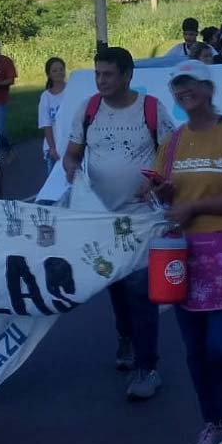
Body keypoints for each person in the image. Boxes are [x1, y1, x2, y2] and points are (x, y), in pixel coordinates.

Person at [147, 60, 222, 444]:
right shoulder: (174, 142)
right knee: (196, 351)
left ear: (208, 89)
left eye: (191, 84)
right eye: (177, 87)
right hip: (183, 259)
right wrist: (162, 193)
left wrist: (194, 205)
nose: (183, 92)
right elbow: (164, 201)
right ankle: (211, 423)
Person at [63, 47, 176, 397]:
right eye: (98, 74)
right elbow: (72, 155)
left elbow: (171, 154)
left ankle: (148, 368)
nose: (101, 81)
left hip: (142, 219)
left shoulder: (151, 109)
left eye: (108, 74)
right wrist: (73, 173)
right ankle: (125, 336)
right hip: (103, 220)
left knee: (140, 290)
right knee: (115, 285)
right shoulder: (89, 110)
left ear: (128, 75)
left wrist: (155, 178)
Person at [38, 57, 66, 175]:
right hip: (54, 147)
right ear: (49, 74)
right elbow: (46, 124)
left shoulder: (72, 90)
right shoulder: (46, 97)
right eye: (54, 70)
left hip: (70, 145)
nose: (59, 72)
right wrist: (52, 148)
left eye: (61, 69)